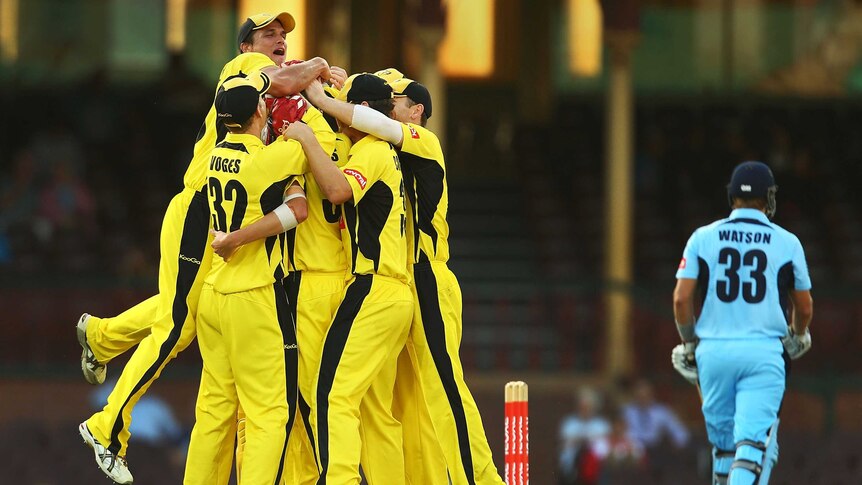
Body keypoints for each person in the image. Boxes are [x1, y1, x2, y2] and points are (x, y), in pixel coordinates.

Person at [76, 11, 345, 483]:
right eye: (268, 35)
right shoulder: (238, 73)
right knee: (178, 322)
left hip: (215, 214)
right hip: (199, 211)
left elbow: (285, 87)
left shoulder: (261, 97)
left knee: (189, 312)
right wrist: (320, 66)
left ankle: (102, 337)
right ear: (245, 48)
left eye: (283, 35)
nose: (278, 41)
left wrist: (314, 80)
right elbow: (285, 82)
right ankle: (107, 426)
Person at [303, 68, 506, 485]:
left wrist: (322, 99)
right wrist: (334, 85)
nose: (386, 108)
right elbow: (360, 118)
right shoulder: (383, 151)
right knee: (405, 405)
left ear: (416, 111)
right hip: (397, 282)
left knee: (444, 389)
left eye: (394, 101)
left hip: (427, 275)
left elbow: (368, 117)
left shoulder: (424, 141)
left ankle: (484, 480)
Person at [183, 73, 334, 485]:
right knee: (270, 414)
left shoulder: (215, 155)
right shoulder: (271, 158)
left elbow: (294, 208)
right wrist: (303, 128)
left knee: (214, 413)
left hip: (214, 295)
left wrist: (290, 192)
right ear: (261, 111)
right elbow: (317, 163)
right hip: (252, 295)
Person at [284, 73, 413, 484]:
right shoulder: (389, 152)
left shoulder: (373, 150)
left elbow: (338, 191)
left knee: (330, 395)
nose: (339, 116)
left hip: (372, 288)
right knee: (376, 412)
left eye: (346, 107)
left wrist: (306, 139)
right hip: (395, 294)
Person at [672, 161, 814, 485]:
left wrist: (690, 343)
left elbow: (681, 299)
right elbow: (803, 306)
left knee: (723, 451)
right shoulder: (787, 241)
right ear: (768, 198)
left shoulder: (702, 236)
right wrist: (799, 333)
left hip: (713, 354)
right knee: (752, 449)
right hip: (763, 354)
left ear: (731, 197)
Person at [621, 378, 689, 451]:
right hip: (635, 450)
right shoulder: (627, 411)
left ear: (651, 395)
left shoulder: (661, 412)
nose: (643, 400)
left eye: (645, 396)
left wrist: (678, 444)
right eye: (639, 397)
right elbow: (619, 432)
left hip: (657, 450)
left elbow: (680, 432)